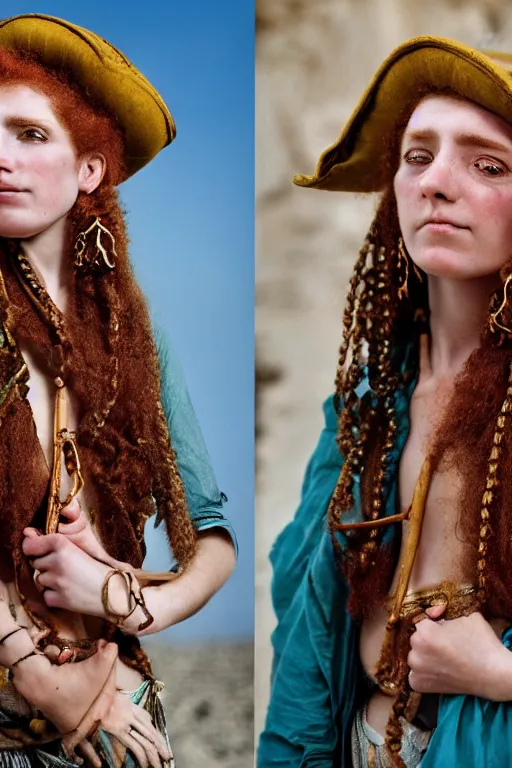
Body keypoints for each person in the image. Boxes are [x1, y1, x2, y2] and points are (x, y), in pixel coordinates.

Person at [258, 36, 512, 768]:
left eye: (487, 164)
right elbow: (305, 627)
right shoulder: (370, 404)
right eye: (416, 156)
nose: (437, 182)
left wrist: (496, 672)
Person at [0, 12, 237, 768]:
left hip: (123, 710)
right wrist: (46, 680)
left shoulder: (138, 340)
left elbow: (213, 539)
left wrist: (124, 598)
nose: (0, 157)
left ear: (89, 170)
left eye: (30, 135)